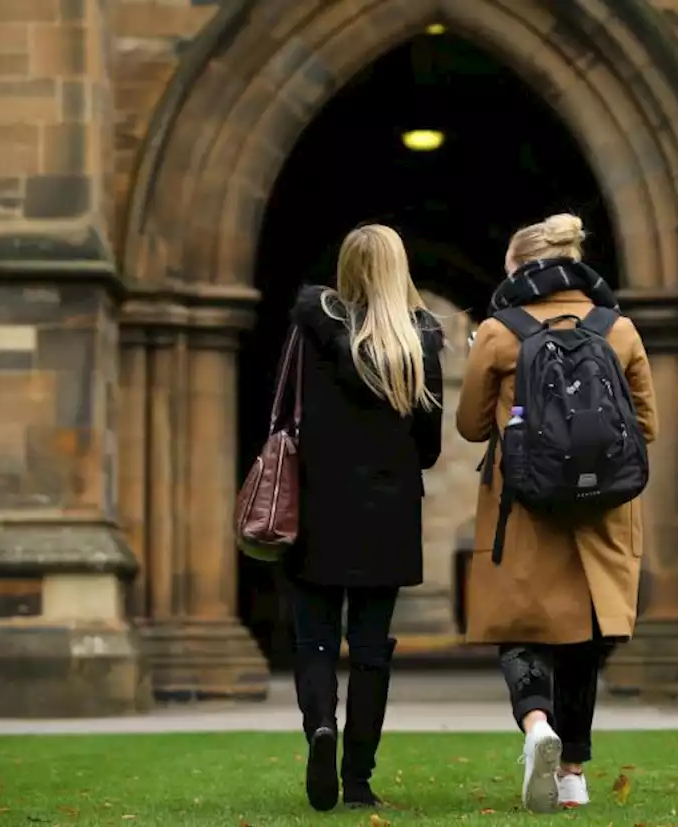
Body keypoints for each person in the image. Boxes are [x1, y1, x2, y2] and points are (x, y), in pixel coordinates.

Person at [455, 213, 658, 813]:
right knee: (583, 639)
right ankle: (572, 772)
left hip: (523, 503)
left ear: (518, 269)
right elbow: (646, 426)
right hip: (602, 508)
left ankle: (536, 724)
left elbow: (470, 426)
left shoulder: (499, 331)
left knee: (521, 627)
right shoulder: (618, 329)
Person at [285, 224, 444, 812]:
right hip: (389, 510)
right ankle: (357, 779)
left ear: (346, 267)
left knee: (315, 640)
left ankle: (320, 727)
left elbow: (285, 409)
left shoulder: (309, 327)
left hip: (317, 504)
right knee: (372, 649)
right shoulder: (421, 341)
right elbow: (428, 446)